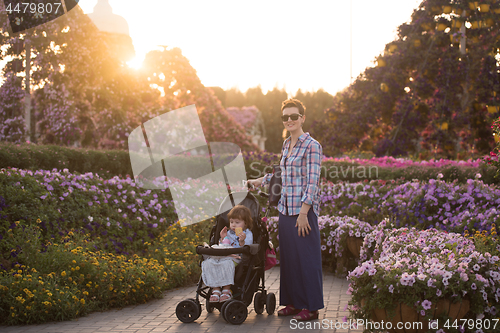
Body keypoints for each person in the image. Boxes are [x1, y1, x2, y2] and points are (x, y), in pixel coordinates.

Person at [248, 98, 323, 321]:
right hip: (285, 210)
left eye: (293, 116)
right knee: (289, 259)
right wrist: (259, 180)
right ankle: (292, 303)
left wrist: (303, 213)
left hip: (303, 213)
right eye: (285, 117)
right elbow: (279, 175)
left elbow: (312, 182)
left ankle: (311, 307)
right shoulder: (285, 145)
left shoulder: (312, 146)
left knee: (306, 259)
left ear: (302, 118)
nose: (289, 120)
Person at [201, 205, 254, 303]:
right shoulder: (229, 233)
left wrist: (242, 241)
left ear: (245, 223)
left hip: (237, 257)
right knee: (209, 262)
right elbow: (224, 246)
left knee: (227, 263)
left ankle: (226, 290)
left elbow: (248, 249)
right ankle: (215, 290)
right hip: (224, 256)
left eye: (237, 222)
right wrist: (222, 238)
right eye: (231, 222)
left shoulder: (247, 234)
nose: (233, 225)